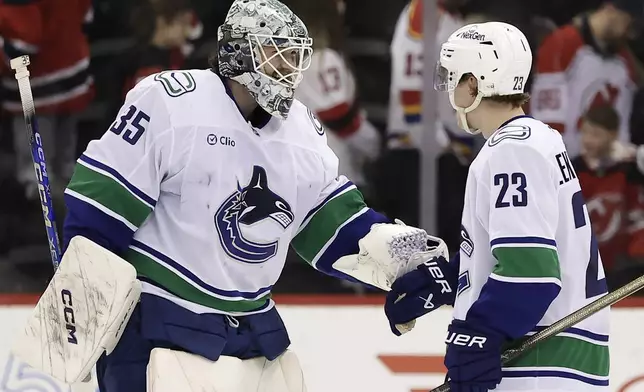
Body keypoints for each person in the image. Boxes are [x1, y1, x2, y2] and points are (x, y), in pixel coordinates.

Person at [56, 0, 443, 390]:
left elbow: (337, 229)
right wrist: (78, 308)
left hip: (252, 339)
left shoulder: (302, 132)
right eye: (277, 53)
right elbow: (101, 207)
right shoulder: (170, 102)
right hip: (159, 326)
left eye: (295, 56)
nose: (289, 67)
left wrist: (411, 257)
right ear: (239, 52)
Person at [386, 22, 610, 391]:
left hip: (539, 367)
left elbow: (532, 273)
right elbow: (525, 244)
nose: (448, 89)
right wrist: (455, 275)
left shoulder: (511, 151)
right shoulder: (540, 139)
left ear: (473, 84)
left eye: (453, 78)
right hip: (562, 366)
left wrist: (477, 334)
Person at [530, 0, 643, 157]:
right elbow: (548, 120)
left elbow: (622, 132)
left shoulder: (625, 63)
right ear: (611, 10)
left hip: (604, 171)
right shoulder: (562, 43)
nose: (630, 34)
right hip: (561, 164)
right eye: (630, 24)